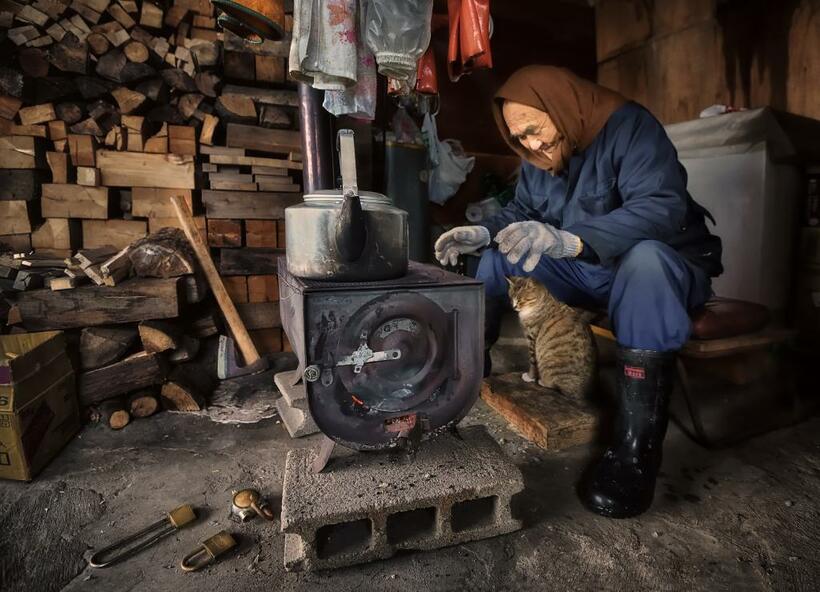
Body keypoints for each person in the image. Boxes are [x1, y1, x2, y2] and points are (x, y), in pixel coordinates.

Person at [434, 65, 723, 519]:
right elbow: (523, 212)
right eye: (518, 139)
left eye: (533, 130)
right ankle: (469, 372)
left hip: (658, 270)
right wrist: (482, 234)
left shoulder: (632, 128)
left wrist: (571, 241)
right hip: (590, 270)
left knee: (646, 260)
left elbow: (660, 207)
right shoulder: (538, 158)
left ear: (561, 108)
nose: (529, 144)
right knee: (497, 258)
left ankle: (634, 452)